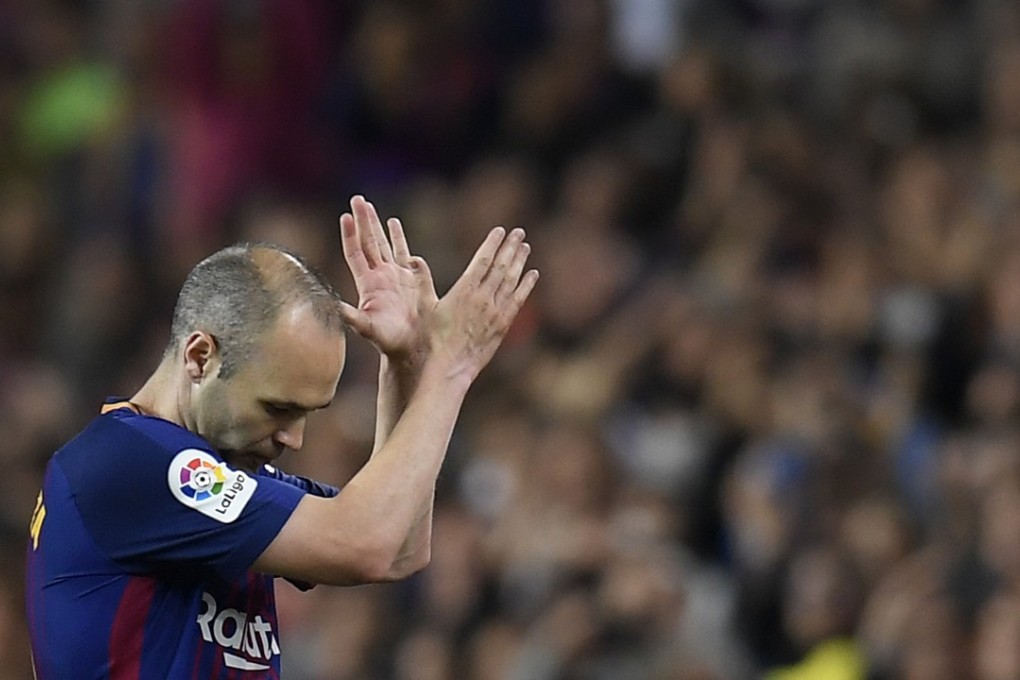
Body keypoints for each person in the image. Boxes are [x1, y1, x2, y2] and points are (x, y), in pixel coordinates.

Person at [25, 195, 538, 679]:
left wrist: (407, 365)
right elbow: (367, 544)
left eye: (309, 412)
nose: (294, 438)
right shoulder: (130, 461)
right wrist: (451, 370)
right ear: (200, 356)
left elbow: (400, 544)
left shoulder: (216, 470)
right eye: (278, 408)